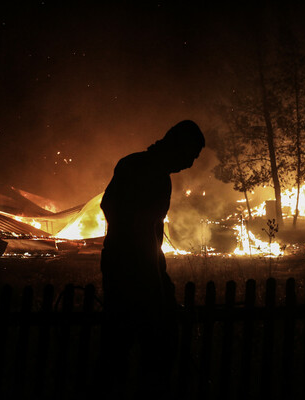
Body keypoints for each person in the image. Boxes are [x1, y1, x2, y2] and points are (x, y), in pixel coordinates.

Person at [97, 120, 205, 399]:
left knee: (121, 343)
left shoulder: (133, 165)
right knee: (148, 344)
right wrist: (155, 278)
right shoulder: (150, 174)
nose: (191, 164)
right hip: (132, 269)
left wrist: (161, 274)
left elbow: (114, 208)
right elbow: (136, 225)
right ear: (177, 146)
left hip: (125, 263)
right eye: (191, 155)